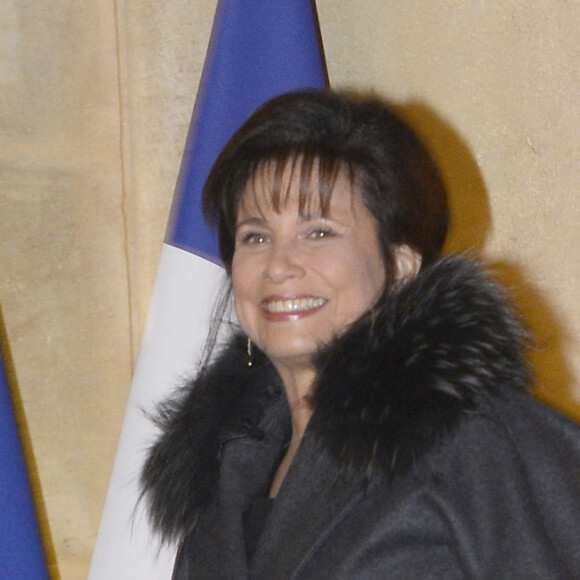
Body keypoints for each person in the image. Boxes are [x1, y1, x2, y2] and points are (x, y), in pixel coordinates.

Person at [141, 90, 580, 579]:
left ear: (400, 265)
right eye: (256, 236)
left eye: (320, 231)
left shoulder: (478, 441)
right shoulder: (221, 473)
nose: (279, 266)